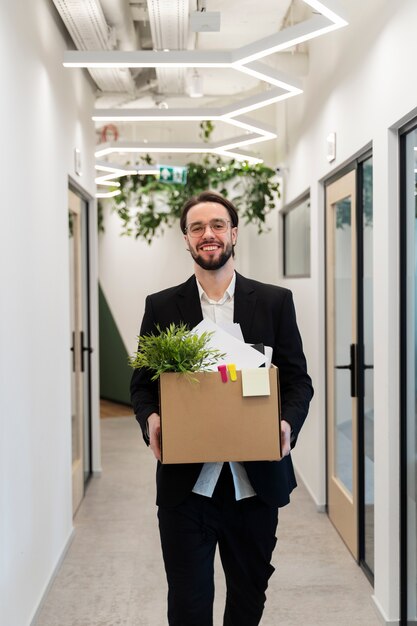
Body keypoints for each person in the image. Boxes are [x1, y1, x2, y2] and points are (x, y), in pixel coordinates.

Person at [130, 190, 313, 626]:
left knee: (248, 604)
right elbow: (142, 385)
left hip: (256, 487)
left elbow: (297, 380)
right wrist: (151, 418)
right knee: (189, 608)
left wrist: (287, 423)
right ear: (186, 240)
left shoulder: (273, 301)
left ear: (233, 234)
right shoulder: (161, 307)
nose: (207, 234)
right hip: (186, 490)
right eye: (197, 228)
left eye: (216, 226)